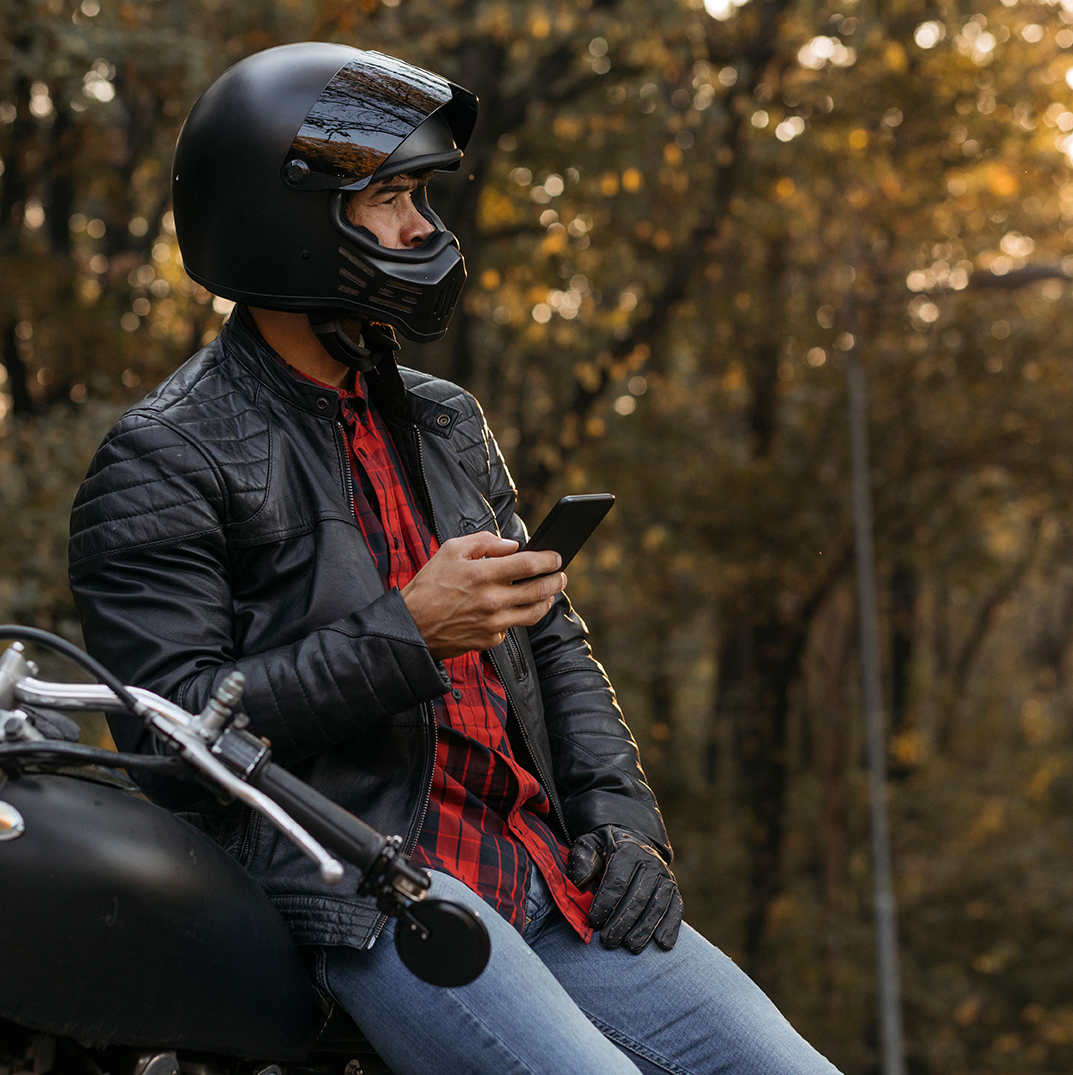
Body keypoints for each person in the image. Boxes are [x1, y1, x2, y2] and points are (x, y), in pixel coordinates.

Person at [69, 42, 839, 1075]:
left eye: (420, 194)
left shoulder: (443, 421)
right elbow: (167, 735)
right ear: (288, 221)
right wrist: (408, 630)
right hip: (371, 889)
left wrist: (622, 825)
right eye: (389, 197)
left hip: (538, 866)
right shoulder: (166, 451)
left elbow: (551, 643)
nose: (423, 226)